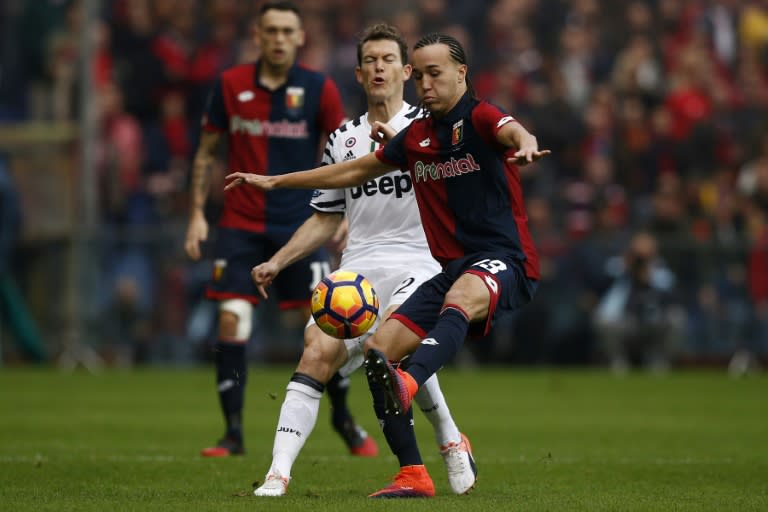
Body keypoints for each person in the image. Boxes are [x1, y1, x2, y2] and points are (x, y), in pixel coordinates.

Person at [225, 33, 548, 497]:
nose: (423, 82)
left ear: (451, 72)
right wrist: (276, 184)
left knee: (428, 332)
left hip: (476, 260)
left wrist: (527, 141)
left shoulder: (471, 116)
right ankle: (409, 473)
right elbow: (348, 180)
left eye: (425, 70)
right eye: (371, 60)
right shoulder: (397, 138)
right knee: (374, 354)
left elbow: (510, 129)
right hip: (396, 266)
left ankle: (430, 412)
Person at [249, 23, 476, 498]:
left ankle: (449, 443)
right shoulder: (342, 139)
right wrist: (279, 260)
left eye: (388, 60)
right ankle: (278, 474)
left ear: (406, 70)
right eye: (370, 61)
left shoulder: (432, 128)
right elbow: (325, 218)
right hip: (357, 269)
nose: (379, 68)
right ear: (358, 73)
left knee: (396, 348)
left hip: (420, 261)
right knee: (314, 351)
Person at [184, 1, 372, 459]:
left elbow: (343, 156)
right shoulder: (230, 85)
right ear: (258, 35)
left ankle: (344, 418)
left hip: (300, 225)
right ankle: (232, 433)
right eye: (272, 30)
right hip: (240, 225)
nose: (279, 39)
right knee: (233, 318)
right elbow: (207, 151)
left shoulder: (318, 88)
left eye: (288, 31)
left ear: (300, 36)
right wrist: (196, 214)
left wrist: (342, 214)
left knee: (332, 321)